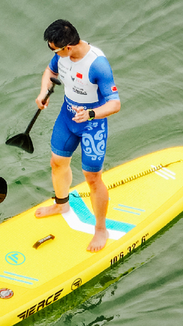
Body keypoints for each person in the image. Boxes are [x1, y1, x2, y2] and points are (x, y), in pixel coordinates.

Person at [35, 19, 121, 252]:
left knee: (92, 178)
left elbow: (115, 104)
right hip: (68, 117)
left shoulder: (98, 64)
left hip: (92, 125)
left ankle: (101, 229)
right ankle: (61, 204)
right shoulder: (61, 56)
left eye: (55, 50)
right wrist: (43, 92)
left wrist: (91, 114)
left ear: (69, 47)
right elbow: (50, 71)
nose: (53, 54)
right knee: (57, 162)